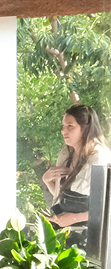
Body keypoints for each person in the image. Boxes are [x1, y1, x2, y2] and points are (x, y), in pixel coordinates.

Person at [42, 103, 111, 247]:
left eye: (70, 126)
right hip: (65, 231)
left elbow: (106, 208)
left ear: (85, 129)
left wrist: (73, 218)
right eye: (63, 125)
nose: (63, 131)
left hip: (89, 238)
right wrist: (47, 180)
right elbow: (61, 196)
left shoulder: (100, 158)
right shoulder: (66, 153)